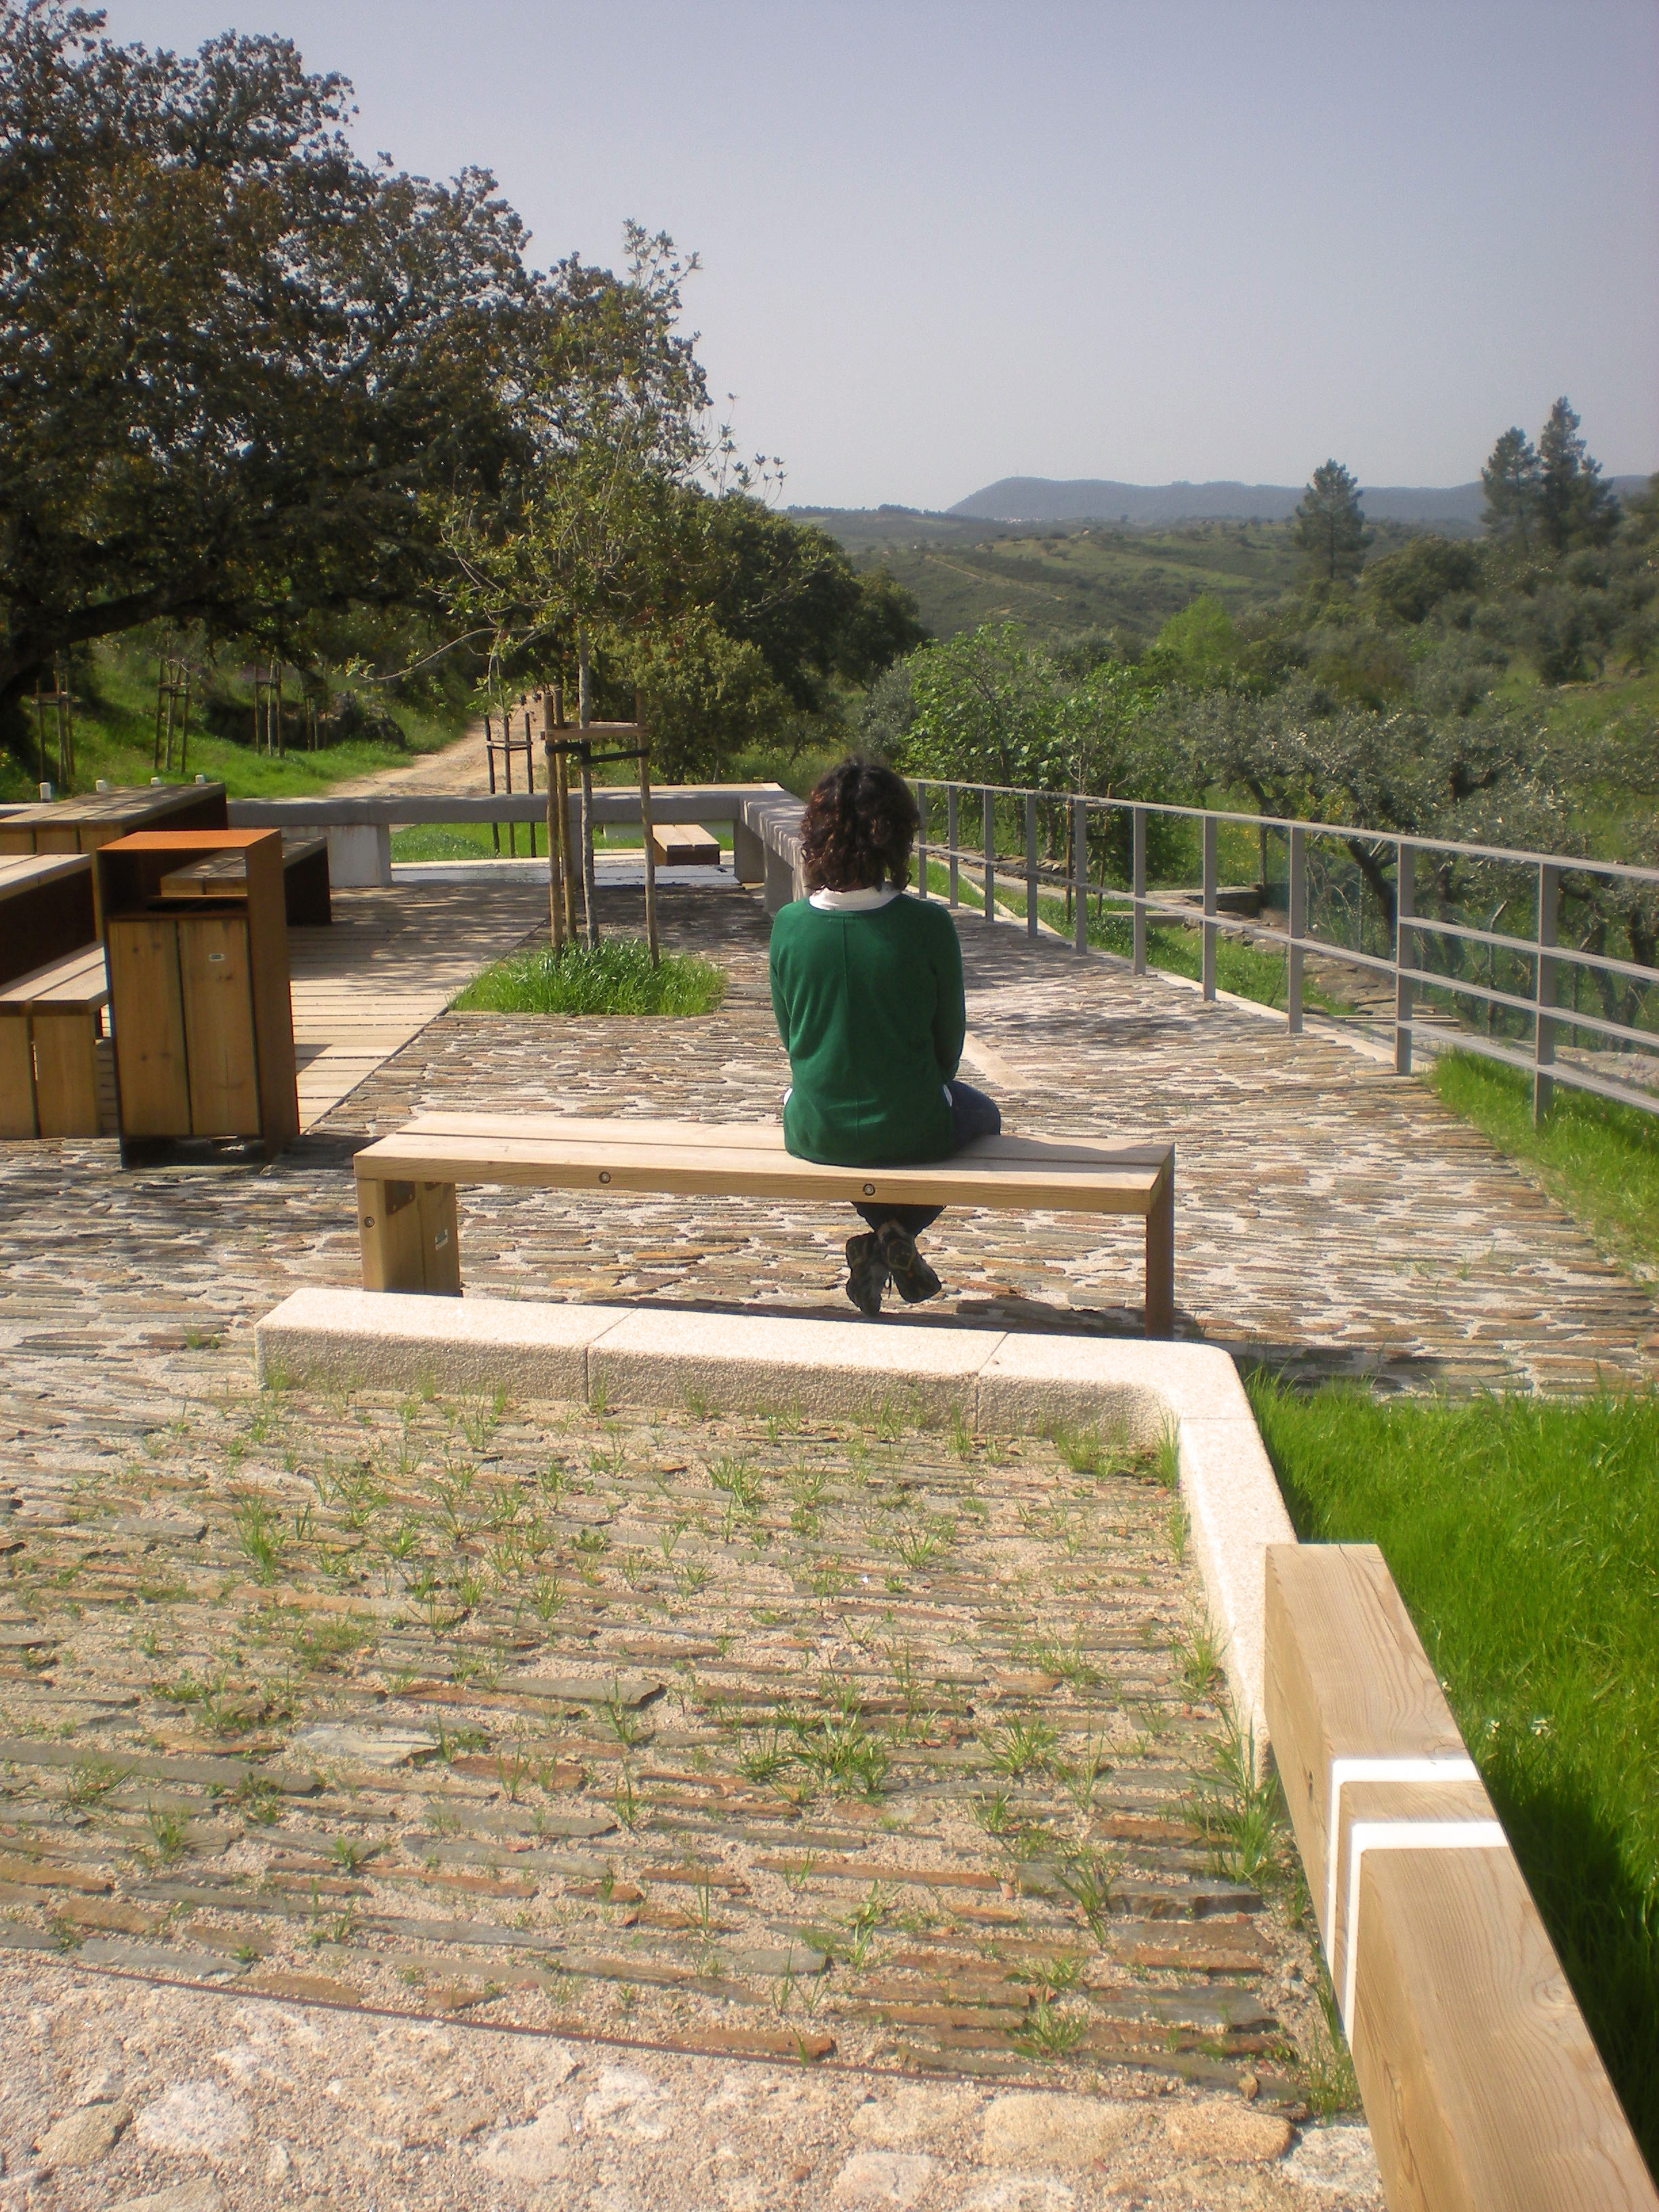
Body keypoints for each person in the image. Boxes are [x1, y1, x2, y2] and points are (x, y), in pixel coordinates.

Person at [768, 756, 1001, 1318]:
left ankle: (883, 1234)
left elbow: (792, 1039)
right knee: (984, 1117)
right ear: (897, 838)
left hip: (815, 1129)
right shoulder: (928, 927)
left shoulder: (789, 926)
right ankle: (894, 1231)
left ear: (816, 841)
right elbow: (947, 1052)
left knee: (847, 1130)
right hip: (913, 1127)